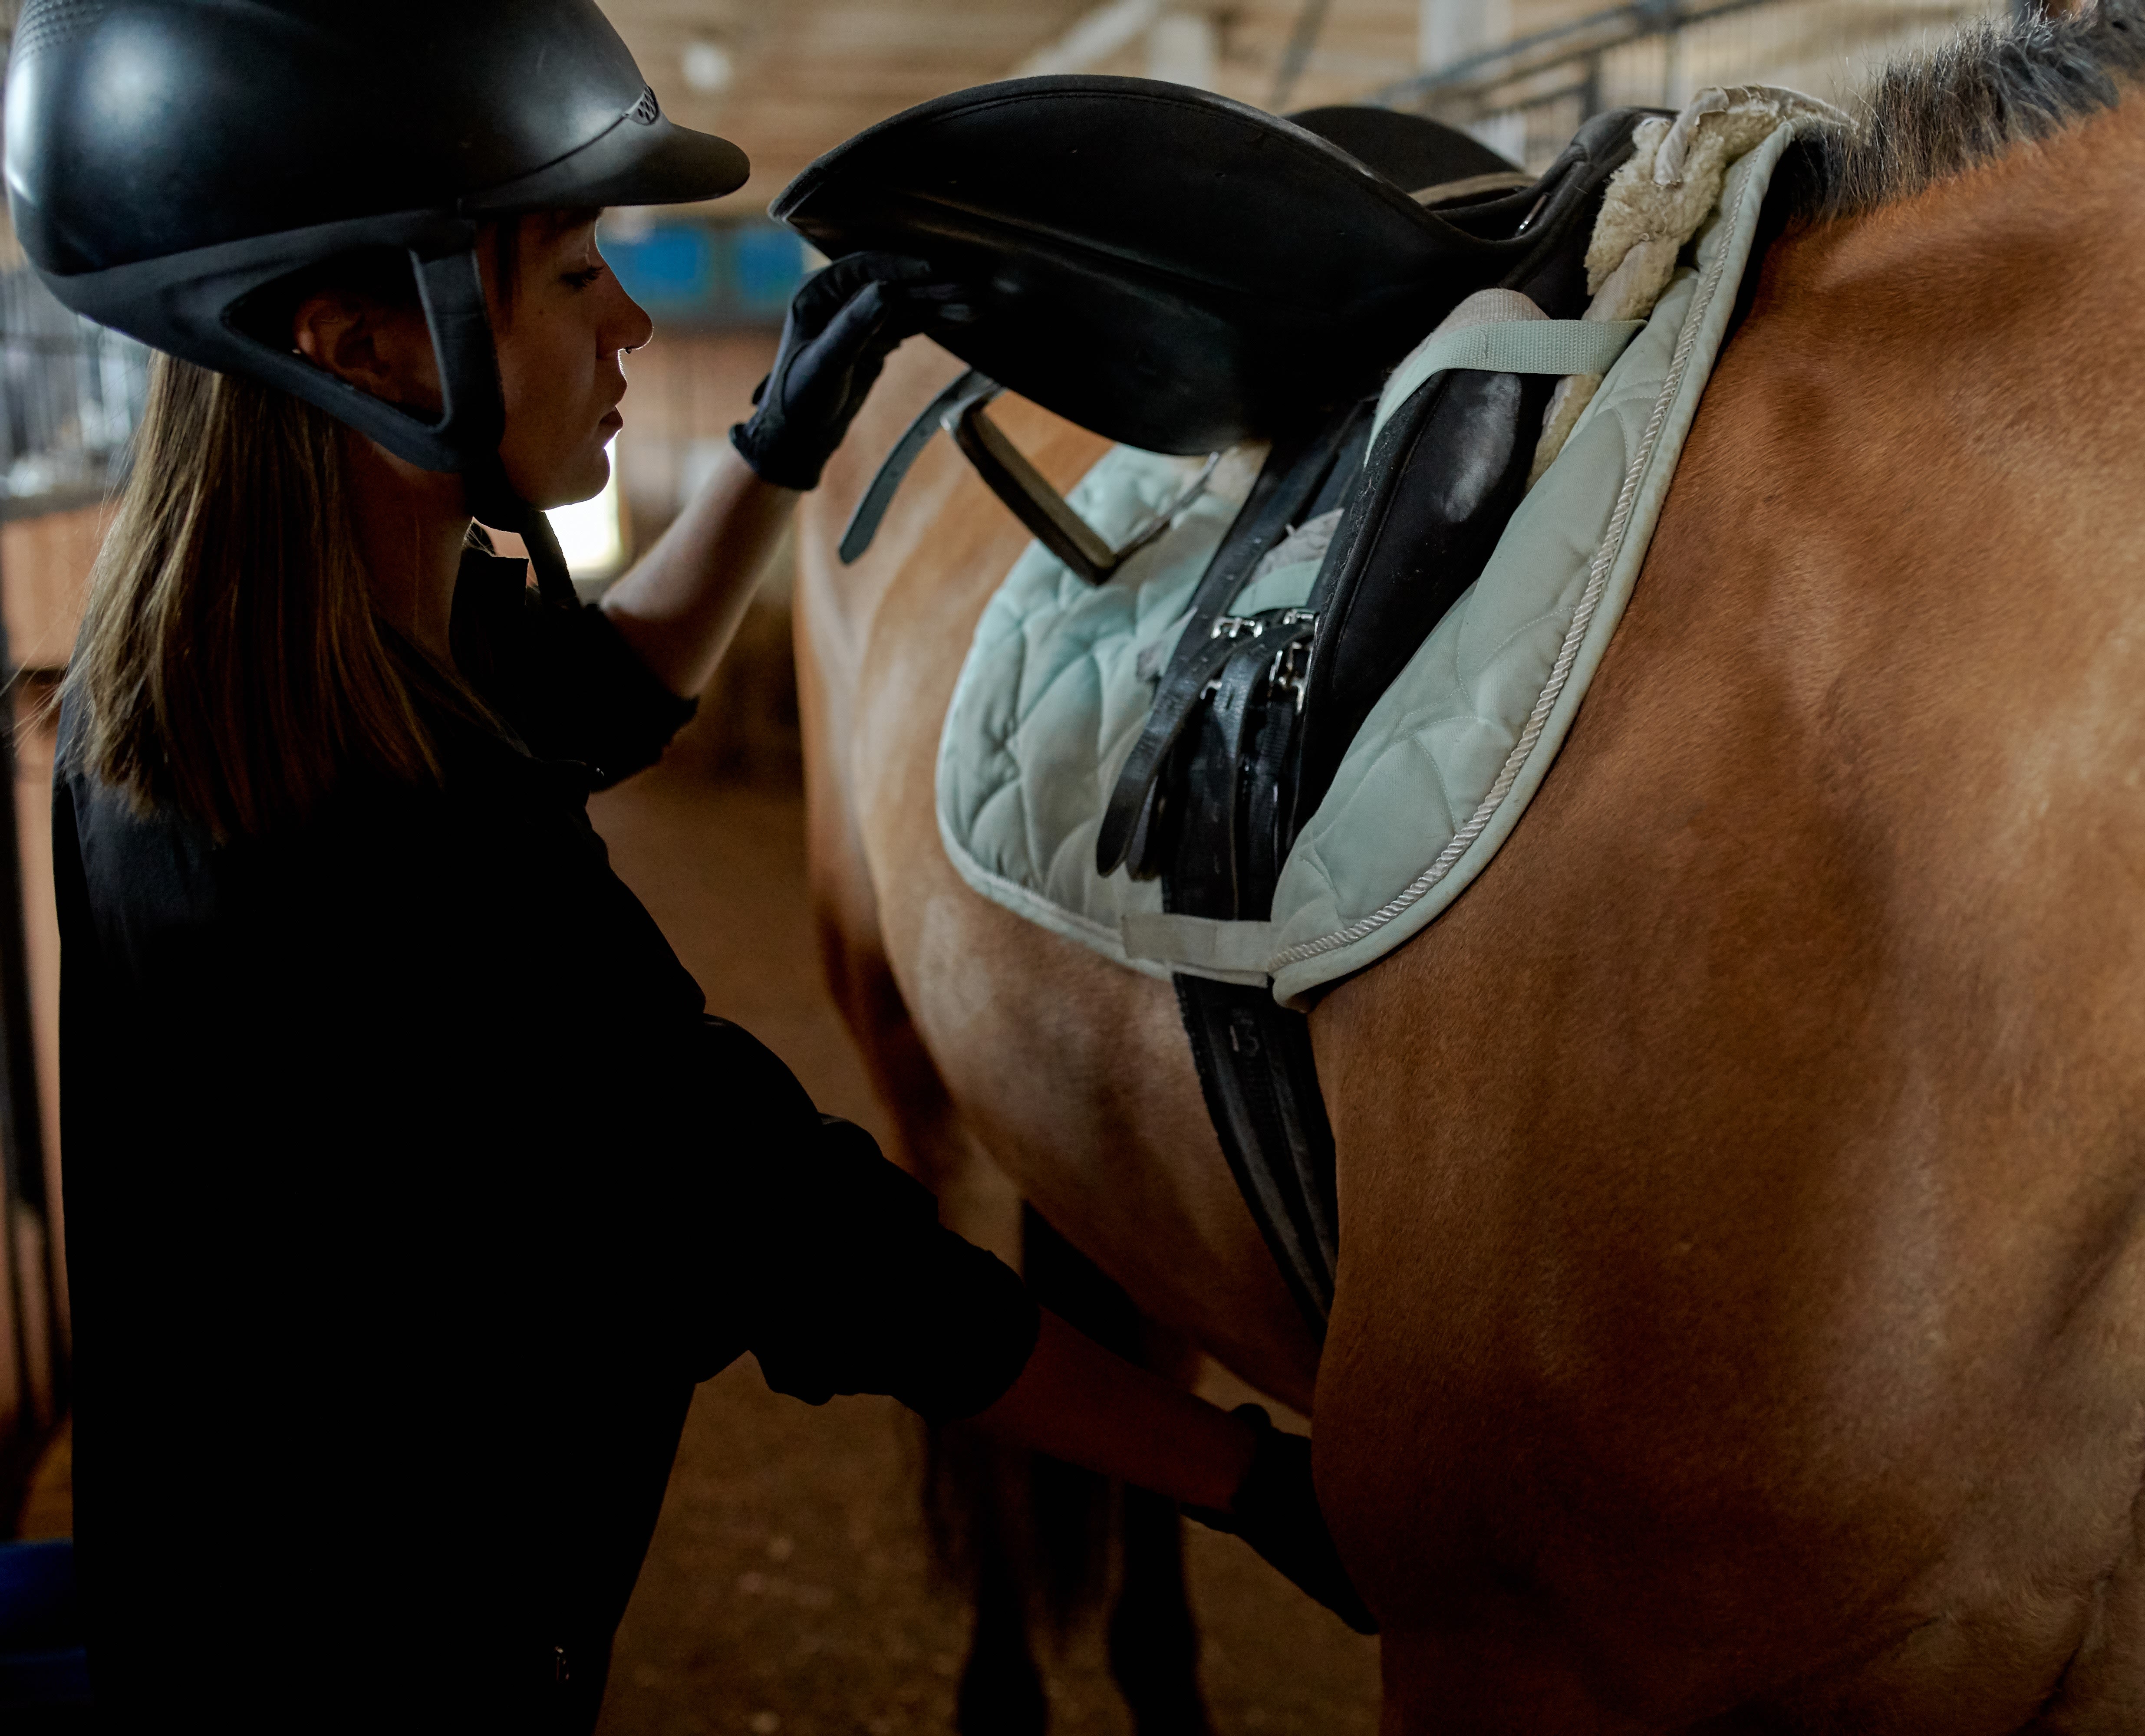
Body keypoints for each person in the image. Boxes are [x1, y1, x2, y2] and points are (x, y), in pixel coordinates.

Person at [4, 2, 1370, 1726]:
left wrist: (782, 446)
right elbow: (799, 1238)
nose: (635, 323)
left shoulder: (202, 697)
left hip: (214, 1605)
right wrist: (1248, 1479)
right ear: (369, 345)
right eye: (577, 275)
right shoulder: (413, 864)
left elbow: (586, 693)